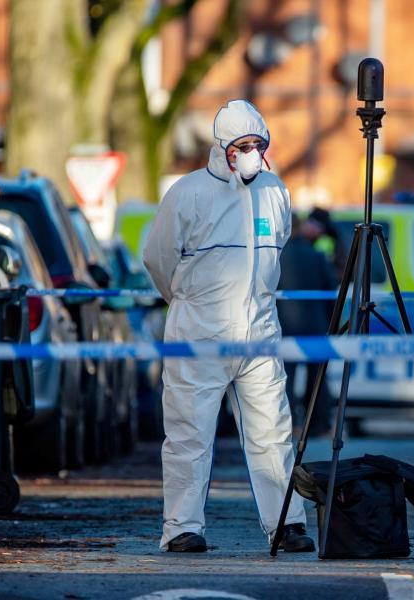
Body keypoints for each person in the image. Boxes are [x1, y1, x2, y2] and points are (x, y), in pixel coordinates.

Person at [143, 99, 313, 554]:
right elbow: (158, 259)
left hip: (258, 334)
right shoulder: (188, 193)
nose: (252, 152)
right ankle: (181, 527)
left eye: (259, 144)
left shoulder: (275, 191)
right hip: (199, 336)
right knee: (188, 435)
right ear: (222, 149)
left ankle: (287, 524)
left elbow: (278, 245)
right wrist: (186, 301)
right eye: (243, 145)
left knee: (273, 432)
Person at [277, 213, 337, 437]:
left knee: (286, 379)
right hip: (316, 326)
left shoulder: (277, 256)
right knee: (318, 380)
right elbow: (331, 292)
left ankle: (290, 424)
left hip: (285, 325)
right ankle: (319, 426)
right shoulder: (317, 255)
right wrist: (331, 323)